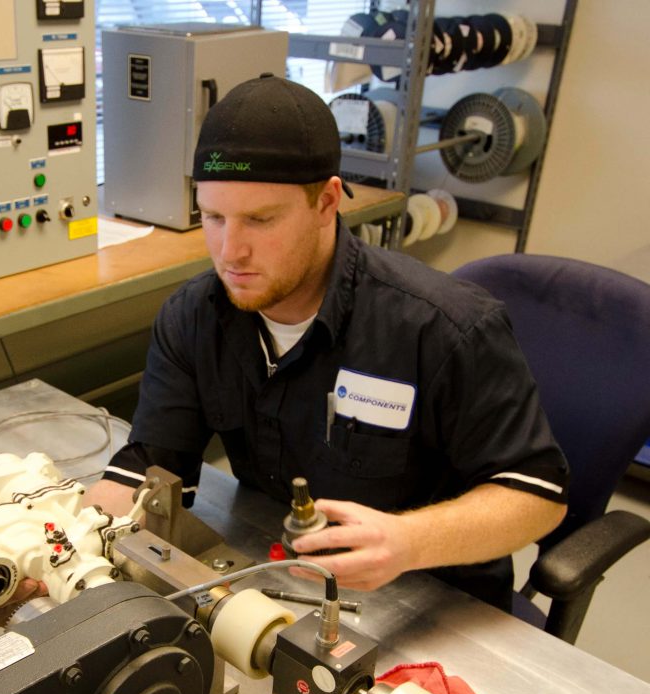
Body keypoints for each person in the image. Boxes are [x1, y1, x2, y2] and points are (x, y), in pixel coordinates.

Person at [84, 74, 568, 612]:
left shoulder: (444, 328)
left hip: (437, 598)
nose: (231, 251)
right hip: (283, 581)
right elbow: (152, 469)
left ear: (327, 202)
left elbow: (538, 497)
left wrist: (407, 542)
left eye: (261, 220)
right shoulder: (194, 317)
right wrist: (73, 541)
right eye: (214, 218)